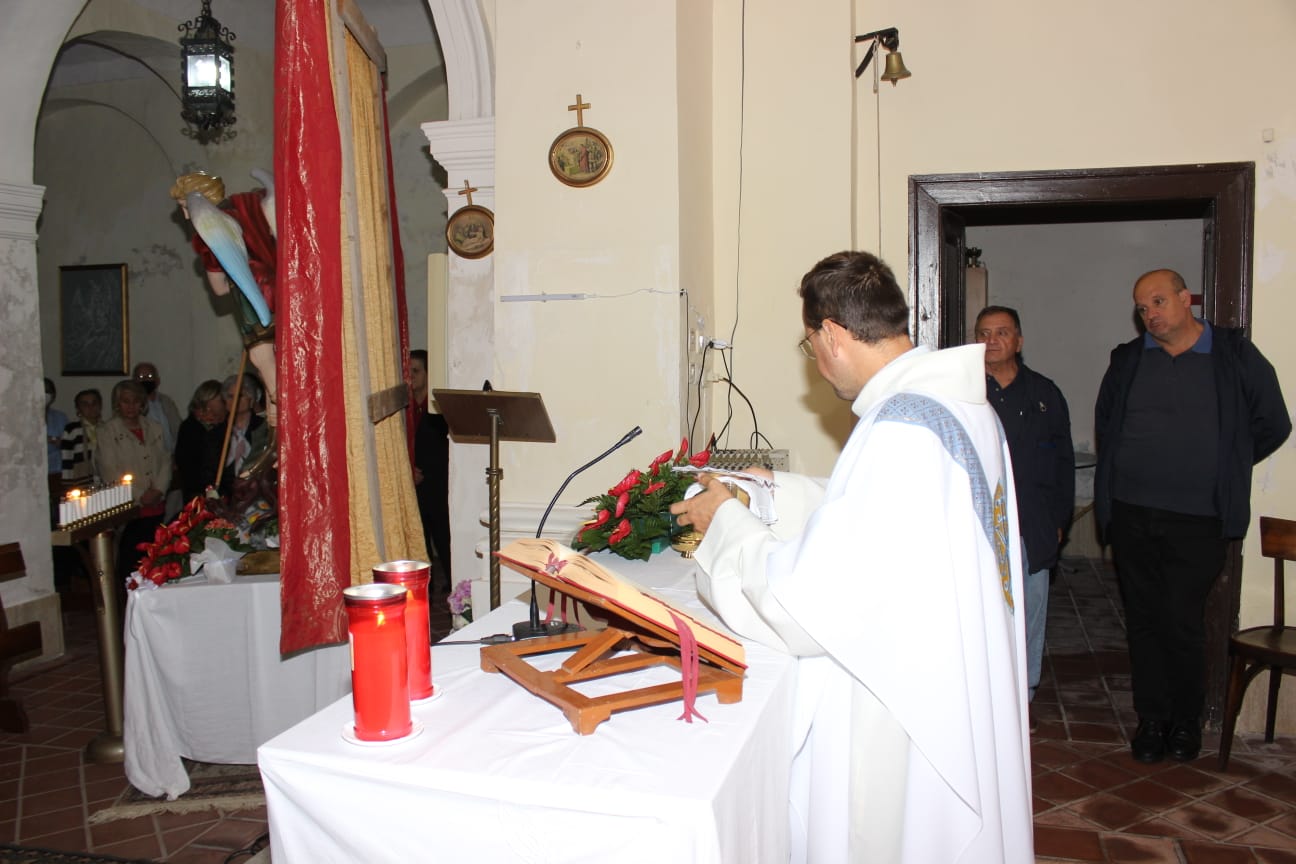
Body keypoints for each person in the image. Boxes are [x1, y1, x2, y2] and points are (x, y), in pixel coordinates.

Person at [671, 251, 1032, 863]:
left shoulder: (901, 429)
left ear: (833, 335)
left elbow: (806, 603)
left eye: (810, 345)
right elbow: (892, 520)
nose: (815, 362)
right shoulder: (957, 407)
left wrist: (724, 522)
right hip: (950, 666)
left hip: (906, 699)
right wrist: (772, 490)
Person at [1095, 268, 1290, 764]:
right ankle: (1151, 719)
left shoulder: (1233, 355)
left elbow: (1273, 422)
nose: (1150, 314)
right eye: (1142, 307)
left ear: (1187, 299)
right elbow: (1107, 424)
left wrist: (1227, 462)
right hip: (1133, 512)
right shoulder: (1128, 359)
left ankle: (1185, 722)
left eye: (1158, 302)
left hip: (1198, 517)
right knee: (1143, 621)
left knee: (1182, 621)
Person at [975, 306, 1074, 721]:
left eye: (1002, 332)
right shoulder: (963, 393)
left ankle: (1022, 696)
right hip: (979, 524)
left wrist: (1059, 522)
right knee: (983, 613)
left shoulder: (1044, 395)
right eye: (984, 333)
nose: (992, 341)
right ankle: (984, 701)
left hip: (1033, 522)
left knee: (1029, 613)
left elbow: (1063, 463)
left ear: (1018, 340)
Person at [171, 171, 278, 427]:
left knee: (262, 358)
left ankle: (282, 408)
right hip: (278, 287)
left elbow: (218, 288)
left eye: (186, 206)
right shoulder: (249, 203)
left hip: (253, 293)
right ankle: (276, 418)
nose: (186, 215)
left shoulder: (210, 230)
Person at [96, 380, 171, 584]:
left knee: (155, 559)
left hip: (156, 504)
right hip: (130, 508)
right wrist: (140, 495)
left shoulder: (154, 428)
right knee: (130, 561)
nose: (131, 406)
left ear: (142, 403)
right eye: (125, 401)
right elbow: (109, 470)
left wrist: (159, 489)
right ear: (117, 403)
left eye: (135, 401)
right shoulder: (107, 431)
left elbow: (165, 460)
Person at [410, 350, 451, 589]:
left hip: (437, 484)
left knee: (443, 537)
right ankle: (425, 587)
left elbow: (442, 451)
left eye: (416, 371)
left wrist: (423, 473)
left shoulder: (436, 411)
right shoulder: (406, 408)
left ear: (428, 374)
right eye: (408, 371)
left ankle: (452, 583)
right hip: (414, 483)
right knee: (420, 539)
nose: (411, 376)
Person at [174, 380, 228, 502]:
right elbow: (186, 463)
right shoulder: (190, 428)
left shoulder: (225, 423)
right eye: (222, 400)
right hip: (198, 492)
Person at [219, 373, 268, 496]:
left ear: (251, 399)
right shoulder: (215, 435)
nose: (235, 400)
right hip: (225, 497)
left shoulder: (263, 429)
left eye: (240, 396)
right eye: (230, 396)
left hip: (256, 495)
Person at [132, 362, 182, 454]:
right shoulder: (131, 406)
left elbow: (178, 429)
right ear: (134, 381)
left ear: (157, 380)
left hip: (169, 456)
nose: (146, 379)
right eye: (141, 377)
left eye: (150, 376)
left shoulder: (166, 402)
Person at [60, 388, 103, 484]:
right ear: (78, 408)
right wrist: (68, 483)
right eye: (85, 404)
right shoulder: (72, 429)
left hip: (104, 479)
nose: (91, 407)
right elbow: (67, 458)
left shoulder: (107, 428)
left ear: (100, 405)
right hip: (81, 480)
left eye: (94, 403)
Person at [44, 378, 69, 525]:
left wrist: (54, 441)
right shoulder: (26, 417)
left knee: (59, 513)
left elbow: (66, 442)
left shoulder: (60, 417)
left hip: (57, 471)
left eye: (48, 391)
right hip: (38, 471)